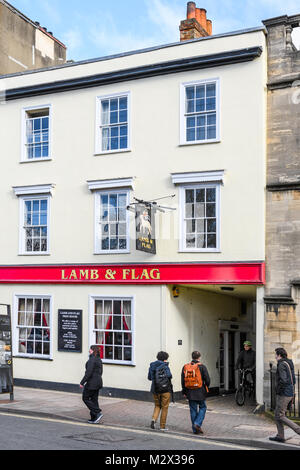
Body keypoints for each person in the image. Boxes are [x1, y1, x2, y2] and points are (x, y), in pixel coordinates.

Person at [269, 347, 300, 443]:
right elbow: (293, 380)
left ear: (279, 355)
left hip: (283, 394)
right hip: (289, 392)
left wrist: (279, 390)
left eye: (275, 355)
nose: (275, 357)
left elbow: (283, 380)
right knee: (277, 415)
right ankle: (280, 436)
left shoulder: (281, 364)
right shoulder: (289, 363)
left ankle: (298, 430)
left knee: (280, 415)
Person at [181, 351, 210, 435]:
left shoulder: (185, 367)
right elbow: (207, 379)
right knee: (203, 407)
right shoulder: (202, 367)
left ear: (192, 357)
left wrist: (184, 391)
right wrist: (206, 387)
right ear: (199, 357)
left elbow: (183, 380)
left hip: (190, 391)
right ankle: (197, 423)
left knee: (193, 410)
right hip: (200, 391)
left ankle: (195, 430)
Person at [148, 351, 173, 431]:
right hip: (165, 389)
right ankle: (162, 427)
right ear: (165, 359)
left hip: (155, 389)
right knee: (165, 407)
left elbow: (149, 378)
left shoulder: (152, 365)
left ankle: (154, 419)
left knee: (157, 405)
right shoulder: (165, 366)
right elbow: (169, 376)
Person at [80, 345, 103, 424]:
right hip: (98, 382)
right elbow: (101, 372)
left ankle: (97, 412)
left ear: (93, 350)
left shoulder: (92, 360)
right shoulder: (98, 359)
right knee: (94, 400)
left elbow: (88, 372)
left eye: (90, 349)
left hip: (92, 383)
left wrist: (82, 382)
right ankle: (94, 418)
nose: (89, 350)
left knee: (85, 398)